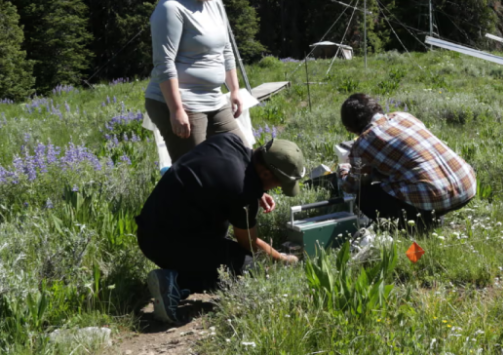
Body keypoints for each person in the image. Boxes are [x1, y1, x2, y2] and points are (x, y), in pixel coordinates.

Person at [136, 134, 306, 324]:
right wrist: (283, 260)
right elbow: (249, 243)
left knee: (218, 231)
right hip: (164, 243)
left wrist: (258, 191)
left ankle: (184, 272)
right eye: (278, 183)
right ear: (266, 173)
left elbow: (218, 176)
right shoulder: (242, 191)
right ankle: (175, 282)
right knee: (249, 268)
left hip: (150, 226)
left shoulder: (229, 141)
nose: (276, 188)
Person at [144, 0, 243, 161]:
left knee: (241, 155)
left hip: (214, 99)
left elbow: (226, 47)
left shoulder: (214, 2)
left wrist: (234, 90)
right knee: (196, 171)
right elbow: (164, 64)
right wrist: (176, 110)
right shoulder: (171, 8)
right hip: (182, 103)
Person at [339, 93, 476, 231]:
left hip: (437, 195)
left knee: (366, 196)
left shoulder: (364, 142)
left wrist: (344, 170)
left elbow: (353, 185)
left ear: (350, 127)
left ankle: (415, 228)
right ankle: (431, 216)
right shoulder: (404, 116)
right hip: (466, 184)